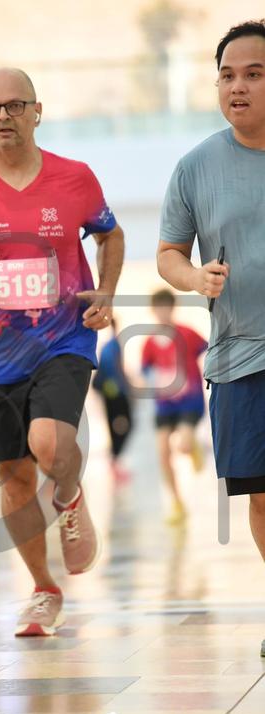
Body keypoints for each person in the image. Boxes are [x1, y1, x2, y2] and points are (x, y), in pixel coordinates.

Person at [0, 68, 124, 636]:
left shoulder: (74, 177)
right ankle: (43, 589)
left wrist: (106, 292)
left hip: (64, 337)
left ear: (38, 111)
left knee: (49, 443)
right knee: (13, 477)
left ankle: (69, 493)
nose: (3, 116)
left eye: (15, 105)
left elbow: (110, 234)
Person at [156, 20, 265, 653]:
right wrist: (195, 277)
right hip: (238, 357)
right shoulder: (195, 167)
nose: (237, 87)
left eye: (253, 74)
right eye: (227, 75)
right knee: (262, 494)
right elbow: (169, 253)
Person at [141, 289, 207, 524]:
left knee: (183, 446)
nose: (162, 312)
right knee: (163, 453)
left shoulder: (187, 333)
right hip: (164, 404)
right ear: (153, 310)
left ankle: (193, 447)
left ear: (172, 308)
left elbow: (209, 349)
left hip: (190, 400)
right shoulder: (150, 342)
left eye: (166, 307)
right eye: (158, 308)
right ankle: (177, 503)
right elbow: (145, 370)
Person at [92, 318, 133, 484]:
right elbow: (117, 368)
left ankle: (115, 461)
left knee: (115, 425)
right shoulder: (112, 345)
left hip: (109, 391)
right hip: (114, 391)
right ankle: (115, 460)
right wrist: (128, 387)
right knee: (124, 424)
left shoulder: (108, 345)